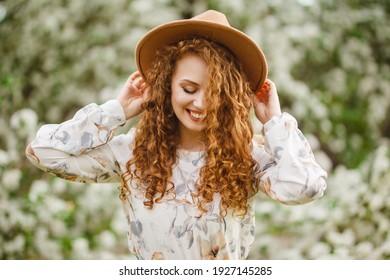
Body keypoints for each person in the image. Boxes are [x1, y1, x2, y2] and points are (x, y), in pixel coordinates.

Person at [26, 10, 327, 260]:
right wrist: (116, 111)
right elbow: (43, 151)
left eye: (215, 93)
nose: (200, 104)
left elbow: (305, 187)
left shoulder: (246, 159)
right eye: (189, 89)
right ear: (167, 85)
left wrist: (273, 122)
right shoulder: (131, 154)